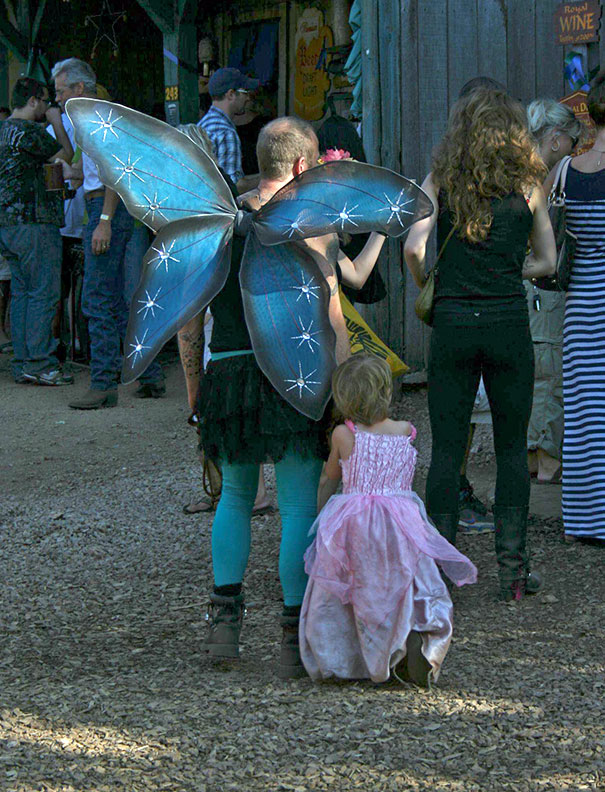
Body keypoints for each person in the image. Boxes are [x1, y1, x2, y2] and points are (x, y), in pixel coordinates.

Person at [200, 117, 388, 677]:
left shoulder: (219, 220)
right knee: (298, 505)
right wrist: (344, 392)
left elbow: (192, 320)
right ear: (304, 167)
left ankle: (225, 629)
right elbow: (334, 317)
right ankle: (291, 639)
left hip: (230, 373)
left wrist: (196, 386)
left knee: (234, 496)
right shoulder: (314, 223)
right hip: (296, 377)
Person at [404, 88, 556, 600]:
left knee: (447, 449)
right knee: (513, 449)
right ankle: (513, 572)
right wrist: (513, 271)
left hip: (453, 325)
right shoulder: (529, 184)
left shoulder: (443, 181)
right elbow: (548, 262)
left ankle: (442, 572)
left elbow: (413, 247)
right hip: (508, 323)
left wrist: (433, 278)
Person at [299, 354, 477, 685]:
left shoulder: (343, 434)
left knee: (353, 587)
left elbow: (329, 478)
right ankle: (410, 639)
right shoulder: (406, 431)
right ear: (386, 392)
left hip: (356, 521)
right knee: (405, 582)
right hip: (400, 520)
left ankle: (350, 658)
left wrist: (323, 511)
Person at [52, 58, 164, 408]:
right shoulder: (98, 119)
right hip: (111, 211)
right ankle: (148, 374)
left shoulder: (94, 121)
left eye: (60, 91)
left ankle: (103, 383)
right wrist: (73, 175)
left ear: (78, 89)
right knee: (117, 300)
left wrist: (103, 218)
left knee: (97, 298)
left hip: (105, 212)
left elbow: (115, 172)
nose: (57, 98)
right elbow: (98, 170)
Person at [543, 72, 605, 544]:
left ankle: (585, 519)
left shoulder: (564, 171)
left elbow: (544, 235)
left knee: (584, 414)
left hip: (580, 308)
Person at [0, 76, 74, 386]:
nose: (47, 107)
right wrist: (57, 122)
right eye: (44, 102)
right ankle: (42, 362)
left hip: (7, 224)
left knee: (21, 293)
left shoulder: (3, 130)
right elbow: (65, 155)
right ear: (33, 101)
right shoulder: (30, 131)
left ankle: (24, 361)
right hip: (34, 221)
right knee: (43, 292)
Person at [526, 99, 583, 485]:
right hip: (548, 284)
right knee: (550, 373)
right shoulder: (552, 172)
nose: (577, 148)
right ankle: (547, 458)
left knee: (538, 370)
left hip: (531, 285)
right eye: (573, 140)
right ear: (557, 138)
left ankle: (534, 454)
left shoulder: (524, 166)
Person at [197, 67, 259, 191]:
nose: (248, 98)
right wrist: (275, 179)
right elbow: (235, 186)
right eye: (245, 92)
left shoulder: (204, 124)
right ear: (230, 94)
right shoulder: (225, 132)